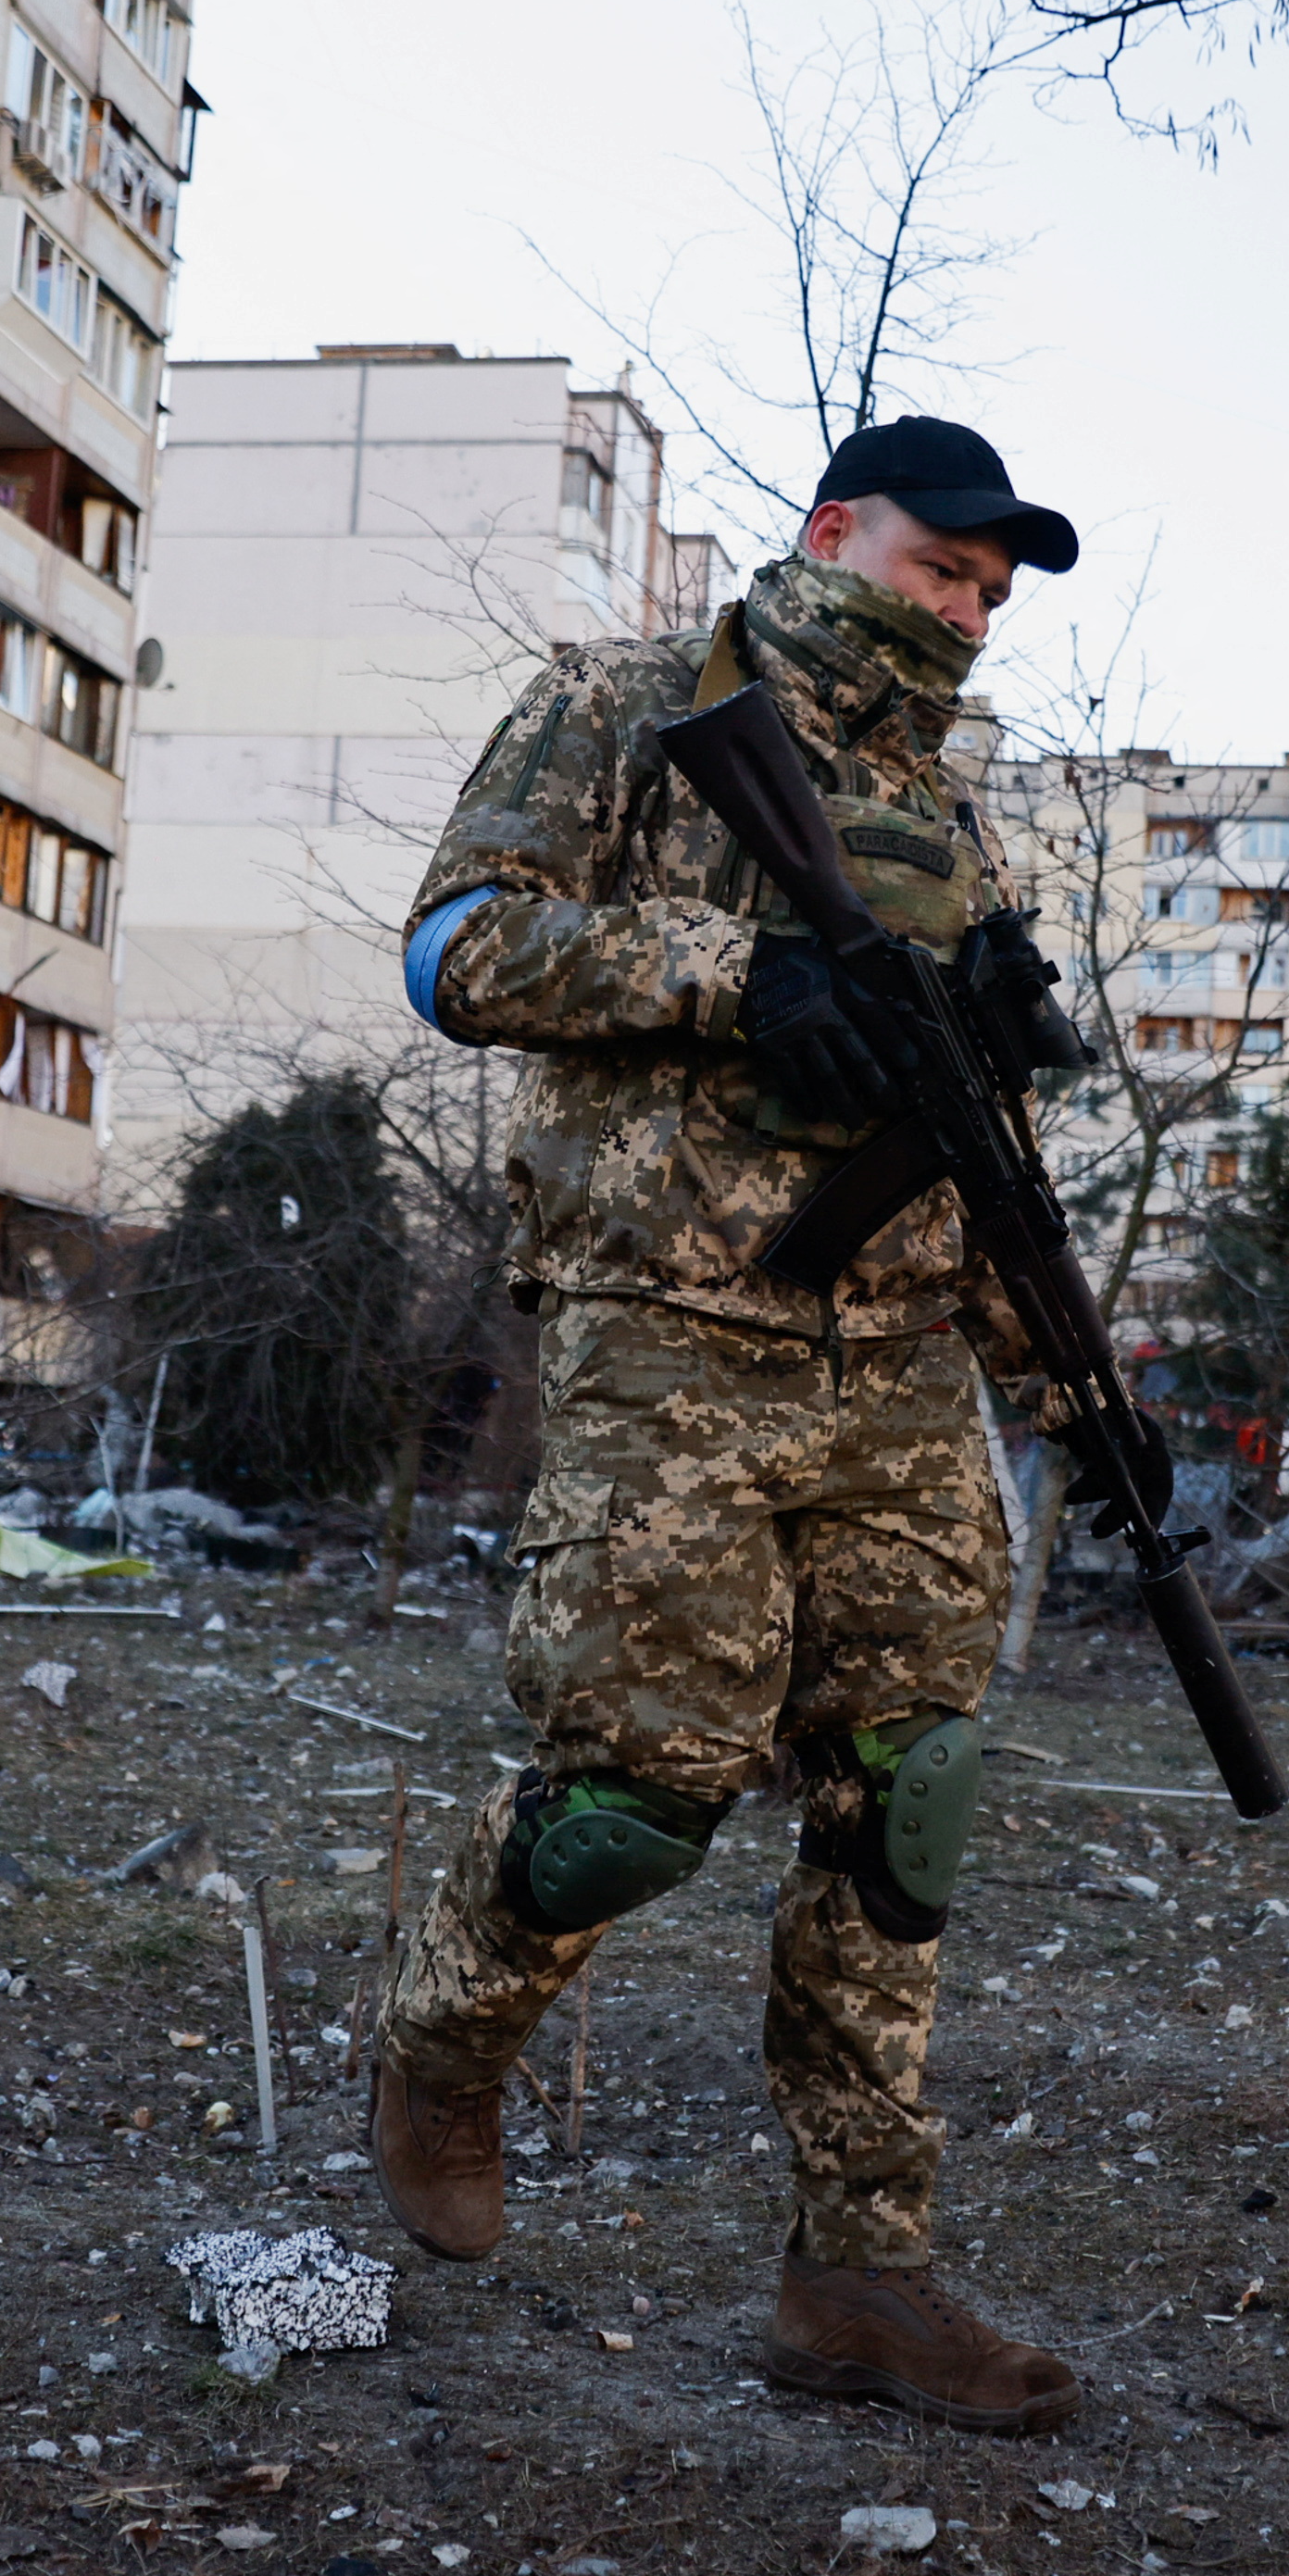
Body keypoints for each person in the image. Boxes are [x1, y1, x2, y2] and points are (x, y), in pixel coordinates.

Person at [369, 414, 1092, 2436]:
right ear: (829, 529)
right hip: (667, 1334)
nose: (959, 607)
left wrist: (1041, 1306)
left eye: (983, 589)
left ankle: (856, 2272)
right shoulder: (622, 704)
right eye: (937, 563)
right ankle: (444, 2038)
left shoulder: (946, 810)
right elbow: (454, 949)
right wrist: (730, 974)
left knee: (905, 1797)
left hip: (894, 1363)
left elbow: (960, 1143)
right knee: (635, 1788)